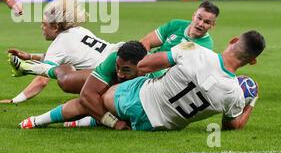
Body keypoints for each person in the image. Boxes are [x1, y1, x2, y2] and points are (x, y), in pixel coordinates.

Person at [23, 30, 265, 131]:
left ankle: (36, 121)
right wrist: (250, 101)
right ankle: (82, 123)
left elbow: (145, 65)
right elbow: (232, 126)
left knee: (94, 96)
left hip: (137, 100)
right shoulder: (234, 94)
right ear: (251, 62)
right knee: (106, 101)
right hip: (159, 126)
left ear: (233, 41)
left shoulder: (194, 49)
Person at [0, 0, 123, 104]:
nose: (42, 27)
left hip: (112, 76)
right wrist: (30, 56)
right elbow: (66, 57)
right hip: (120, 57)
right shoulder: (80, 30)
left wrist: (15, 100)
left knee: (67, 82)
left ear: (56, 27)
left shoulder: (59, 44)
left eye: (44, 24)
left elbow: (42, 79)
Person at [19, 41, 148, 129]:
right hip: (98, 74)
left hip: (112, 78)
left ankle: (84, 121)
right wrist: (113, 123)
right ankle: (42, 69)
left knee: (114, 104)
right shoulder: (112, 61)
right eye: (118, 67)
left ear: (142, 66)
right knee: (66, 81)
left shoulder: (156, 72)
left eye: (125, 70)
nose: (120, 73)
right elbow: (86, 96)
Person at [140, 0, 219, 78]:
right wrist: (144, 61)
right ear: (193, 16)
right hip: (146, 68)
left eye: (207, 22)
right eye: (199, 18)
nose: (201, 24)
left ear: (212, 25)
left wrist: (151, 67)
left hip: (163, 81)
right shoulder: (176, 24)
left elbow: (183, 73)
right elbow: (146, 42)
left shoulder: (205, 46)